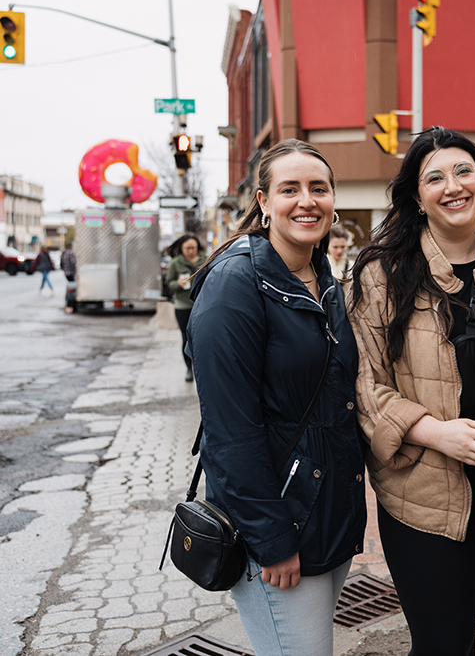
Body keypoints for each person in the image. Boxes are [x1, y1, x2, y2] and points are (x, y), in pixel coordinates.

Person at [349, 126, 475, 655]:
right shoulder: (379, 273)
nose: (452, 186)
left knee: (449, 634)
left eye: (463, 171)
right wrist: (434, 431)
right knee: (445, 642)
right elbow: (363, 382)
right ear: (416, 196)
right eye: (434, 177)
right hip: (424, 495)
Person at [186, 139, 366, 656]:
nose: (306, 200)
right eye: (290, 189)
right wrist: (272, 539)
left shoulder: (322, 276)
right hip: (278, 525)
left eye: (319, 188)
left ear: (334, 199)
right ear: (263, 201)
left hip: (328, 517)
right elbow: (229, 433)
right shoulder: (234, 284)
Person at [166, 233, 206, 382]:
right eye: (187, 248)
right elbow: (169, 283)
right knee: (186, 338)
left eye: (193, 248)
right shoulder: (176, 263)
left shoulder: (206, 259)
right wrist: (178, 284)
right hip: (183, 306)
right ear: (181, 248)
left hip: (202, 305)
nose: (191, 251)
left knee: (202, 338)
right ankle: (189, 368)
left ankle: (201, 367)